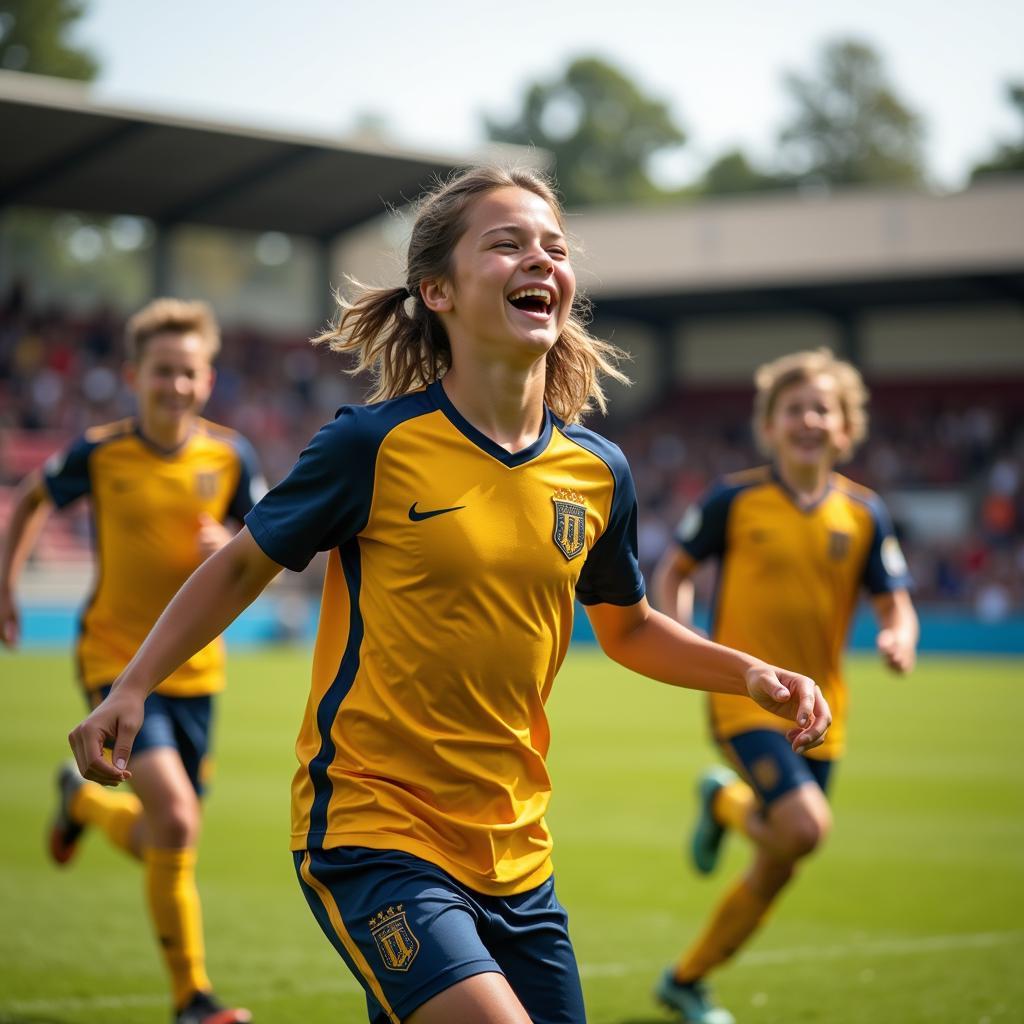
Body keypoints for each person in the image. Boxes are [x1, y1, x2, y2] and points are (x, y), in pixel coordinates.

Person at [67, 167, 831, 1024]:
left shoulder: (598, 472)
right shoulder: (373, 445)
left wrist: (751, 674)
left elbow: (630, 630)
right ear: (437, 290)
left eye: (554, 246)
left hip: (518, 854)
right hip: (373, 833)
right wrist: (132, 686)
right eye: (505, 243)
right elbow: (245, 563)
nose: (537, 257)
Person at [1, 298, 264, 1024]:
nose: (174, 386)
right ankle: (193, 1000)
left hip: (200, 674)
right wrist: (5, 586)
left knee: (160, 834)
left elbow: (267, 541)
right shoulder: (100, 451)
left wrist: (232, 548)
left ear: (206, 380)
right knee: (177, 821)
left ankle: (82, 802)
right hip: (116, 667)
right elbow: (30, 501)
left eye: (187, 373)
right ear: (133, 375)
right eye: (161, 372)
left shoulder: (232, 455)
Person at [652, 348, 918, 1024]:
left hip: (822, 711)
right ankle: (725, 807)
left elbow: (894, 601)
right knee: (803, 828)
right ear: (769, 426)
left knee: (780, 862)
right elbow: (675, 571)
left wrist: (900, 637)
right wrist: (686, 640)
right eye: (793, 408)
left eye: (822, 408)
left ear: (845, 427)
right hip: (743, 702)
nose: (808, 419)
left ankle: (686, 979)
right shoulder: (733, 500)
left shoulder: (864, 514)